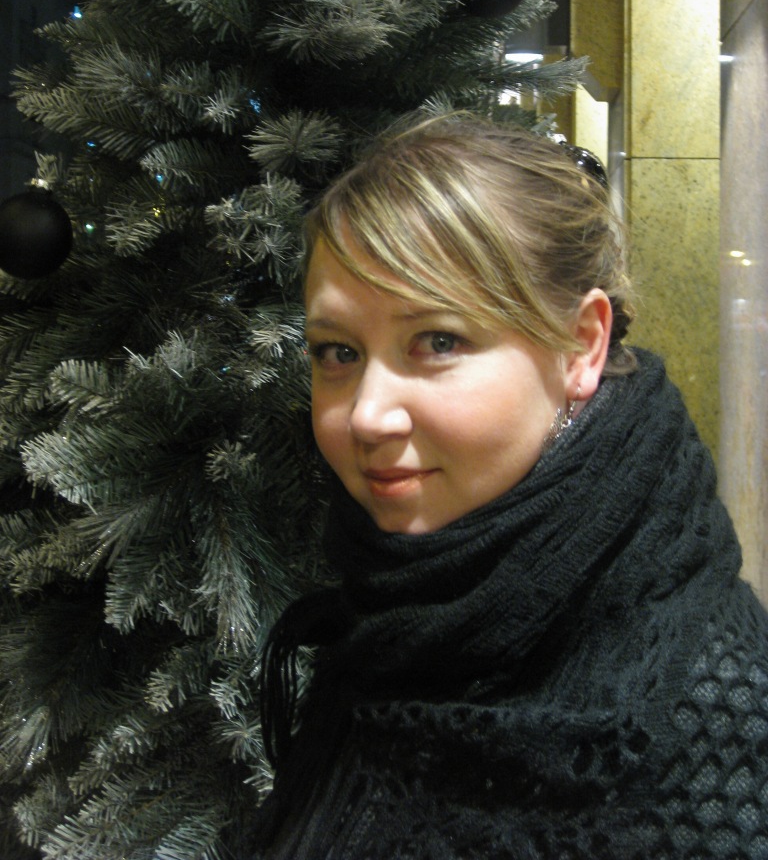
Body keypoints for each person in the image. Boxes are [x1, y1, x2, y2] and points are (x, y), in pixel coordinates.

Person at [252, 113, 768, 859]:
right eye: (338, 352)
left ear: (581, 345)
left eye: (438, 341)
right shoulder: (398, 618)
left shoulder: (715, 726)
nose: (365, 415)